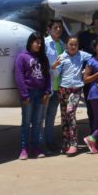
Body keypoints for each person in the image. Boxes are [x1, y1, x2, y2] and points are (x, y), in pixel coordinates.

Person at [14, 32, 51, 160]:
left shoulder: (43, 58)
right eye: (36, 42)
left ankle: (36, 148)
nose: (39, 45)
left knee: (37, 122)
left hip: (41, 94)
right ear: (30, 42)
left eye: (40, 43)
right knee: (26, 122)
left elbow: (47, 76)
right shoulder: (22, 57)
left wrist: (47, 92)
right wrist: (24, 95)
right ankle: (24, 149)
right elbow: (19, 77)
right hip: (28, 94)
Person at [56, 35, 91, 156]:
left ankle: (74, 144)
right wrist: (54, 67)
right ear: (66, 45)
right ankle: (65, 143)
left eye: (75, 44)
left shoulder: (82, 55)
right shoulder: (62, 57)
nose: (73, 47)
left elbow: (93, 59)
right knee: (64, 117)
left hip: (76, 88)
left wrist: (86, 69)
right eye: (71, 44)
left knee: (70, 113)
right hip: (63, 88)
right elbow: (56, 73)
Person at [41, 19, 65, 155]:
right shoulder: (45, 43)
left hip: (58, 87)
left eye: (60, 27)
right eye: (55, 27)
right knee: (41, 118)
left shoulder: (61, 44)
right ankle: (41, 144)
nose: (58, 30)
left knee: (51, 117)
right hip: (47, 86)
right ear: (49, 30)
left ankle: (50, 142)